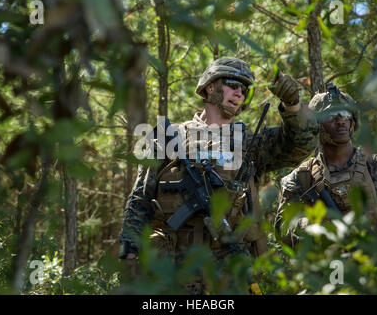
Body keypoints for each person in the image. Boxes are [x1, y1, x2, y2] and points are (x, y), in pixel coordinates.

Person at [118, 57, 319, 284]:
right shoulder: (167, 137)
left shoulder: (251, 144)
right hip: (173, 271)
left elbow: (300, 144)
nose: (240, 93)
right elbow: (140, 200)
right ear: (210, 86)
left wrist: (292, 105)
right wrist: (129, 255)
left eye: (245, 90)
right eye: (233, 84)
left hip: (231, 273)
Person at [276, 83, 377, 245]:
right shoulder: (301, 178)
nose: (341, 121)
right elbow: (282, 228)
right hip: (329, 267)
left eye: (345, 114)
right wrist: (312, 224)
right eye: (331, 116)